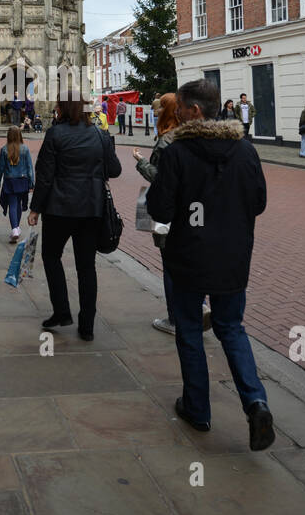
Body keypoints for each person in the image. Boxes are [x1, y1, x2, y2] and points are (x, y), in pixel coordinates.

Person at [146, 78, 274, 450]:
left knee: (189, 331)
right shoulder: (245, 151)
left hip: (187, 258)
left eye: (183, 108)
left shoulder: (177, 154)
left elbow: (159, 208)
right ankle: (256, 401)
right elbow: (260, 202)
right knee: (231, 328)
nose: (179, 114)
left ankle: (198, 409)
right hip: (232, 257)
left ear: (196, 111)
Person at [27, 97, 121, 340]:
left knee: (51, 256)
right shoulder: (99, 135)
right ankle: (87, 326)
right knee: (86, 266)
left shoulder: (55, 134)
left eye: (58, 106)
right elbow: (115, 170)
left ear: (64, 109)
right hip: (91, 209)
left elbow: (45, 175)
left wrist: (35, 208)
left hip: (58, 208)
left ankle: (61, 311)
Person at [135, 93, 211, 337]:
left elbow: (158, 178)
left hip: (170, 212)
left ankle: (175, 319)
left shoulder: (166, 141)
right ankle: (198, 306)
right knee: (192, 259)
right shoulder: (198, 138)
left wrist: (140, 161)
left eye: (160, 109)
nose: (156, 112)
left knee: (170, 264)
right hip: (196, 210)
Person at [0, 126, 34, 242]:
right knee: (19, 204)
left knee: (12, 204)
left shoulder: (4, 149)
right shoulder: (25, 149)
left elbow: (0, 168)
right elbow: (29, 167)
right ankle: (16, 228)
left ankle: (15, 228)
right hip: (22, 180)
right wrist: (31, 183)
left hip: (10, 181)